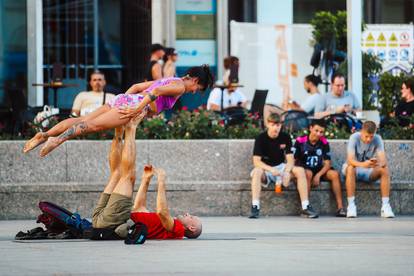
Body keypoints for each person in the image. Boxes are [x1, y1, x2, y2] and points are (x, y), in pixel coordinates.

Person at [23, 65, 214, 157]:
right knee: (92, 125)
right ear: (196, 80)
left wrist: (123, 99)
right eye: (198, 88)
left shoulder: (170, 79)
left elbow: (137, 86)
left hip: (124, 99)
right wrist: (136, 109)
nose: (195, 91)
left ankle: (44, 134)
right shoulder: (179, 86)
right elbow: (154, 93)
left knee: (83, 119)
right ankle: (56, 140)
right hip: (133, 105)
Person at [92, 114, 202, 239]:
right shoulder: (161, 226)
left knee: (128, 175)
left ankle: (131, 127)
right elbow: (139, 207)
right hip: (103, 219)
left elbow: (162, 212)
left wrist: (161, 181)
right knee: (117, 174)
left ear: (191, 228)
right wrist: (146, 180)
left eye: (191, 217)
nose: (188, 214)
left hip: (111, 221)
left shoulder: (177, 230)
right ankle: (119, 129)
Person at [249, 113, 319, 219]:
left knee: (300, 170)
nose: (275, 128)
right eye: (273, 125)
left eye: (278, 125)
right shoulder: (261, 138)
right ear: (268, 124)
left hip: (281, 167)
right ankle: (255, 206)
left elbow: (290, 159)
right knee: (257, 172)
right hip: (266, 169)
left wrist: (287, 172)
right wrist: (270, 169)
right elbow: (256, 162)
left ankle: (305, 206)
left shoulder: (285, 137)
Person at [293, 119, 346, 217]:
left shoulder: (324, 142)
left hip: (319, 170)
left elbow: (327, 163)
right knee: (308, 173)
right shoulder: (300, 141)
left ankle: (340, 208)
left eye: (321, 132)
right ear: (311, 128)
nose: (318, 134)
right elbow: (293, 159)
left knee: (334, 174)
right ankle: (305, 208)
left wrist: (318, 175)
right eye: (316, 131)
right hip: (305, 171)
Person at [342, 121, 395, 218]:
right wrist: (363, 164)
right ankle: (351, 206)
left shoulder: (377, 139)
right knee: (350, 168)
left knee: (384, 169)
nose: (369, 139)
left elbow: (383, 161)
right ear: (361, 131)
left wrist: (376, 163)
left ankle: (385, 206)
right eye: (366, 136)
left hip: (367, 170)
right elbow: (350, 160)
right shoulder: (354, 137)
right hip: (353, 169)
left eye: (371, 136)